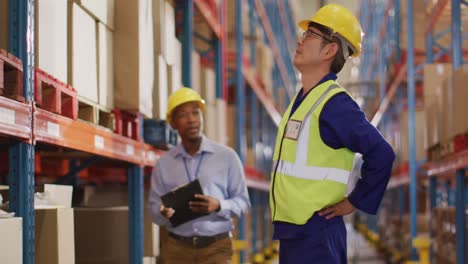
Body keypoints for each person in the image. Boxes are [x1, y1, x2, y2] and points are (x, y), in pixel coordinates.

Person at [269, 4, 396, 263]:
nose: (300, 40)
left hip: (316, 233)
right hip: (294, 231)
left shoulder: (335, 104)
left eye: (310, 35)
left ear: (329, 49)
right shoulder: (303, 99)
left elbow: (382, 153)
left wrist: (355, 201)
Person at [149, 87, 251, 264]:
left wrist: (219, 205)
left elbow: (243, 203)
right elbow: (153, 209)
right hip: (177, 249)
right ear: (172, 123)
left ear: (202, 117)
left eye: (195, 113)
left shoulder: (227, 157)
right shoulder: (163, 164)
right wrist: (163, 212)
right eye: (182, 115)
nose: (191, 120)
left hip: (216, 248)